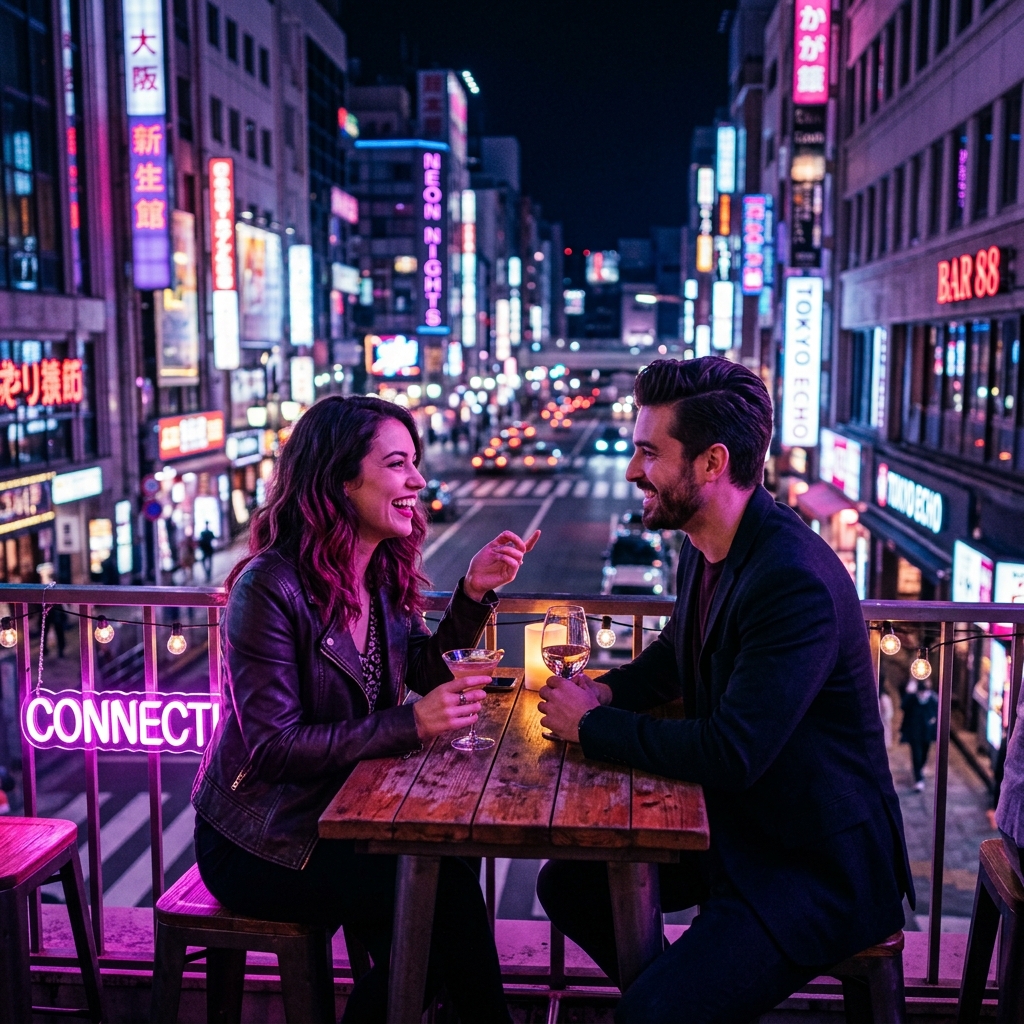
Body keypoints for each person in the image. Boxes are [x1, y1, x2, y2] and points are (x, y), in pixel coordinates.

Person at [536, 358, 913, 1024]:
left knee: (651, 1013)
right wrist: (604, 694)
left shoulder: (790, 578)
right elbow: (675, 658)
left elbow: (734, 751)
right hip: (736, 832)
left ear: (711, 463)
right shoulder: (706, 543)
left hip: (811, 863)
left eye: (649, 453)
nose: (632, 472)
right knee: (568, 885)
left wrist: (591, 729)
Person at [192, 395, 539, 1023]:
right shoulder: (268, 587)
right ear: (341, 481)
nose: (418, 481)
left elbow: (421, 668)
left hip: (345, 817)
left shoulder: (374, 573)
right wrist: (410, 723)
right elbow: (273, 746)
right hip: (265, 838)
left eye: (416, 464)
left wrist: (474, 590)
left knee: (442, 883)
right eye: (398, 464)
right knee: (442, 897)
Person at [900, 678, 938, 791]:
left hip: (927, 733)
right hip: (914, 732)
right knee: (916, 755)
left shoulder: (932, 699)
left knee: (924, 754)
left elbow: (937, 711)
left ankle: (920, 770)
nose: (922, 695)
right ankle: (918, 779)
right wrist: (908, 692)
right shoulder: (912, 699)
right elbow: (903, 706)